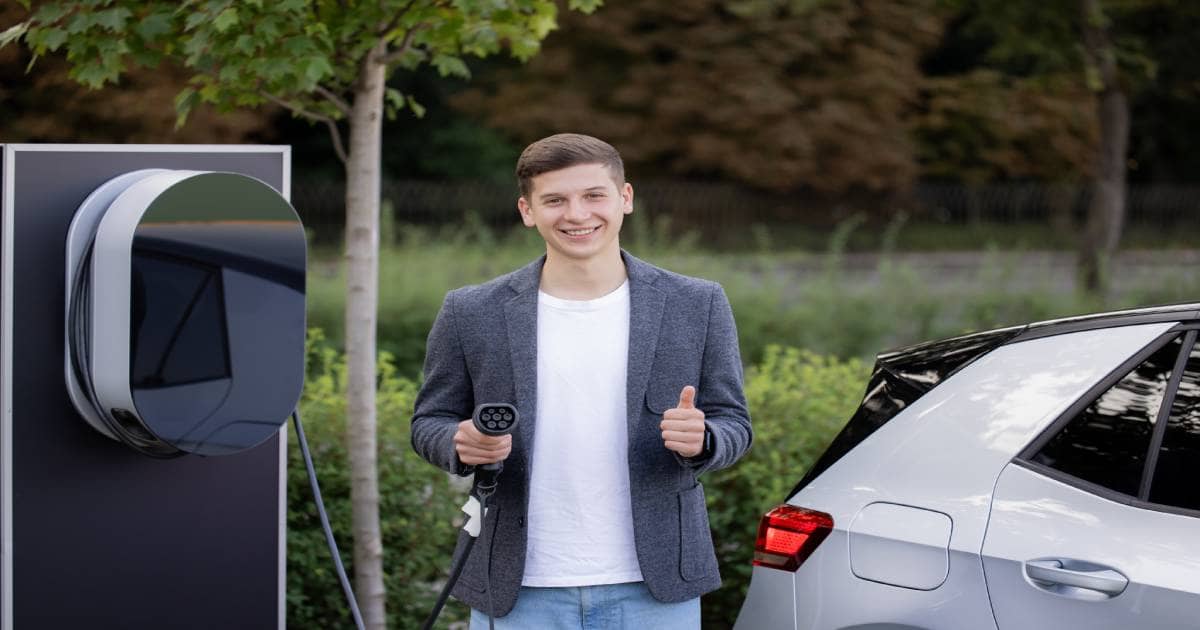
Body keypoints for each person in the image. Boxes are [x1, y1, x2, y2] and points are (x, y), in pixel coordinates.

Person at [411, 133, 752, 629]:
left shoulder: (696, 304)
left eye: (594, 195)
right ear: (528, 210)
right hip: (516, 587)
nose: (577, 214)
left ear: (625, 199)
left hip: (656, 585)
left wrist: (706, 439)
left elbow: (735, 423)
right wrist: (459, 443)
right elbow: (430, 422)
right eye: (555, 200)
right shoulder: (470, 311)